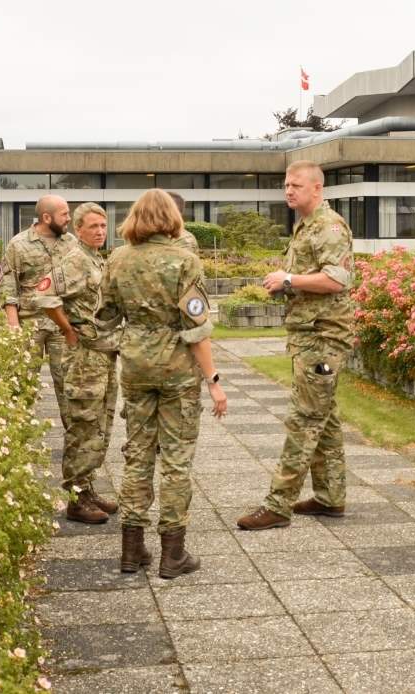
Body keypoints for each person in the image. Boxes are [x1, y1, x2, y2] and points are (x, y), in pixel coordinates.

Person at [100, 189, 227, 578]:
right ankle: (173, 554)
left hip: (136, 366)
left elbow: (104, 316)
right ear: (172, 217)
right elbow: (197, 327)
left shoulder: (116, 259)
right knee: (175, 460)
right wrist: (214, 381)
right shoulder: (185, 261)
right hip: (176, 369)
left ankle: (132, 549)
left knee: (137, 455)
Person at [236, 160, 354, 530]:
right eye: (286, 185)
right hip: (309, 335)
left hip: (323, 338)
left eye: (296, 185)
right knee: (325, 418)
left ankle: (278, 504)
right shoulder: (305, 226)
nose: (289, 190)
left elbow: (337, 280)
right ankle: (330, 497)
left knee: (304, 420)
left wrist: (288, 279)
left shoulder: (329, 228)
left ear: (317, 189)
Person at [34, 202, 121, 524]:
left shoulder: (96, 258)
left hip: (103, 354)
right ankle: (74, 497)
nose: (100, 231)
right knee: (83, 423)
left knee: (100, 424)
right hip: (84, 357)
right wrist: (67, 329)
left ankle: (87, 487)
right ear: (78, 230)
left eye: (103, 226)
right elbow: (43, 295)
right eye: (93, 226)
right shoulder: (75, 259)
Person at [0, 194, 78, 427]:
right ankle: (15, 436)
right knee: (22, 385)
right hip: (29, 325)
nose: (69, 219)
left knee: (68, 384)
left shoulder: (72, 244)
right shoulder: (19, 244)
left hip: (62, 325)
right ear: (46, 217)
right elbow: (8, 283)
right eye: (64, 214)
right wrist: (12, 323)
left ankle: (75, 441)